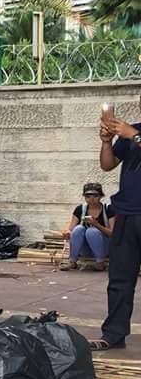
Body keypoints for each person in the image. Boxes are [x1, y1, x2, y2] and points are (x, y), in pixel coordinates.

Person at [90, 108, 141, 350]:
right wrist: (107, 142)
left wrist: (133, 135)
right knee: (120, 278)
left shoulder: (133, 133)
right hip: (127, 216)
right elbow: (107, 165)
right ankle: (113, 334)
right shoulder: (132, 132)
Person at [60, 183, 115, 272]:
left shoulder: (108, 209)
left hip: (104, 247)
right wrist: (67, 233)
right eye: (88, 196)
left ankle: (100, 263)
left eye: (95, 196)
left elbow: (113, 234)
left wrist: (97, 225)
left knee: (92, 231)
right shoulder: (80, 209)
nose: (91, 199)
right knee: (78, 229)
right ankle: (72, 261)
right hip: (85, 249)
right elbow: (71, 230)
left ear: (101, 196)